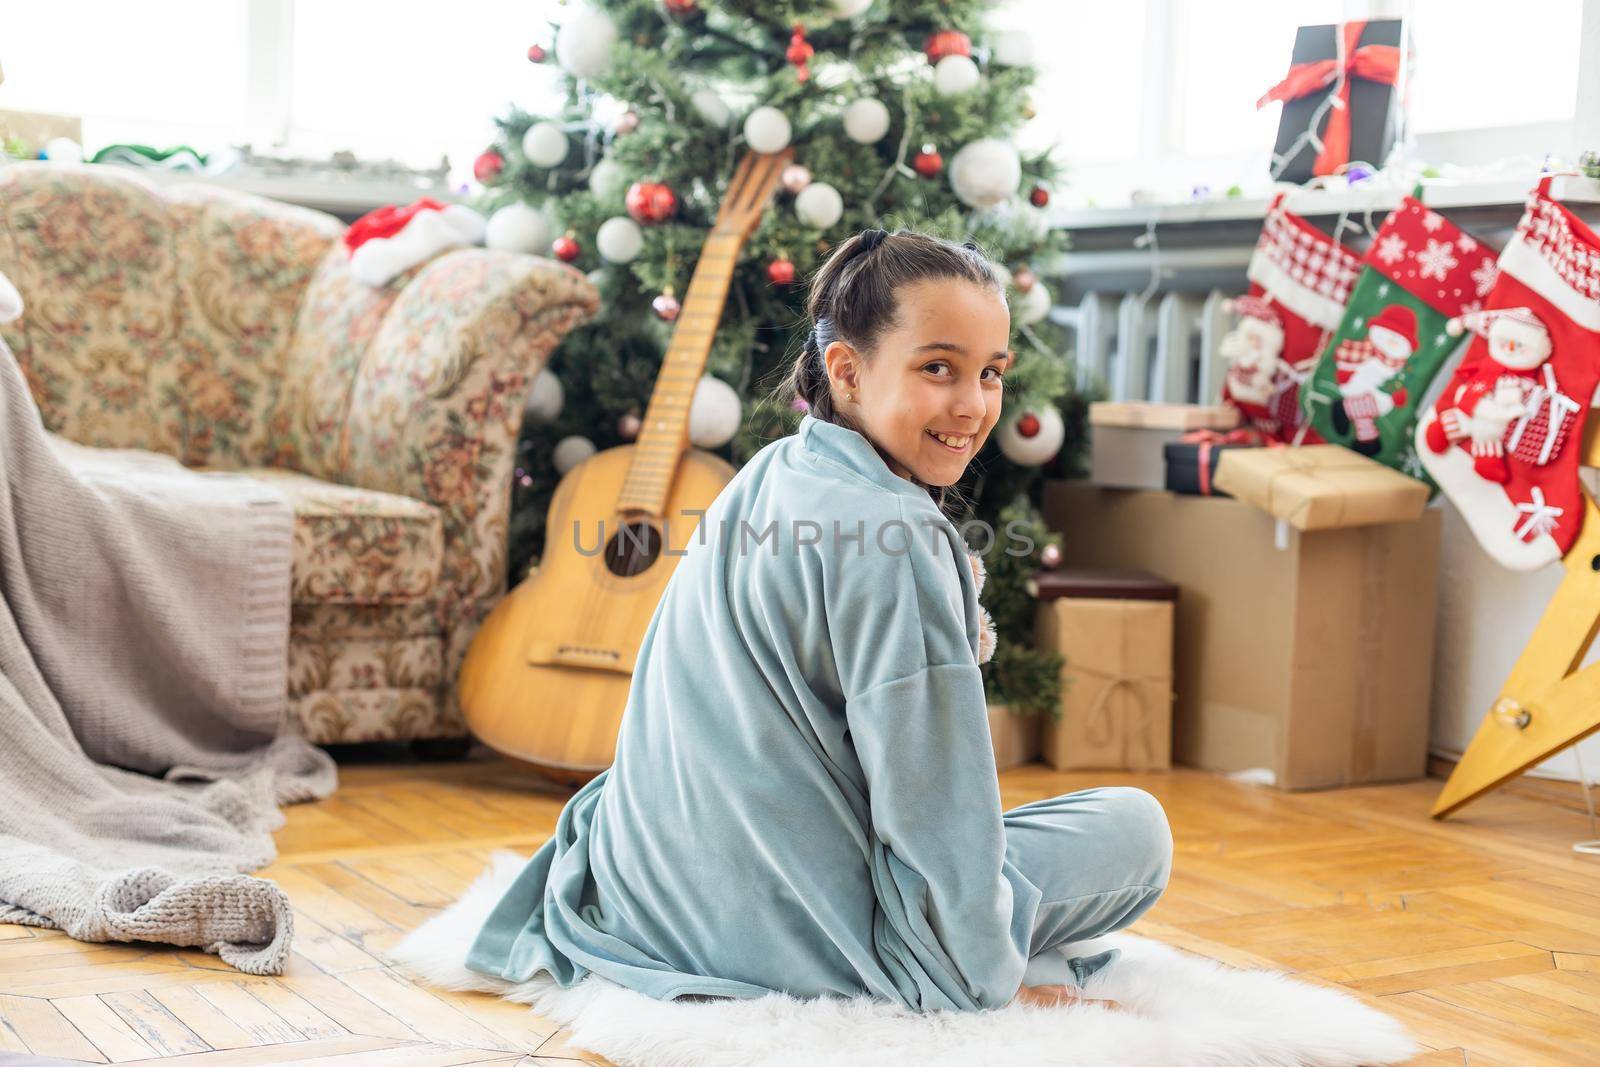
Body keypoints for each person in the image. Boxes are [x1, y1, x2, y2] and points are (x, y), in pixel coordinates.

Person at [461, 228, 1173, 1013]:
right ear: (848, 370)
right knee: (1135, 832)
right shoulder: (898, 537)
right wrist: (991, 985)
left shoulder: (765, 473)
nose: (973, 404)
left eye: (991, 373)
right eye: (938, 368)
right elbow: (935, 808)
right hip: (792, 933)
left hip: (648, 890)